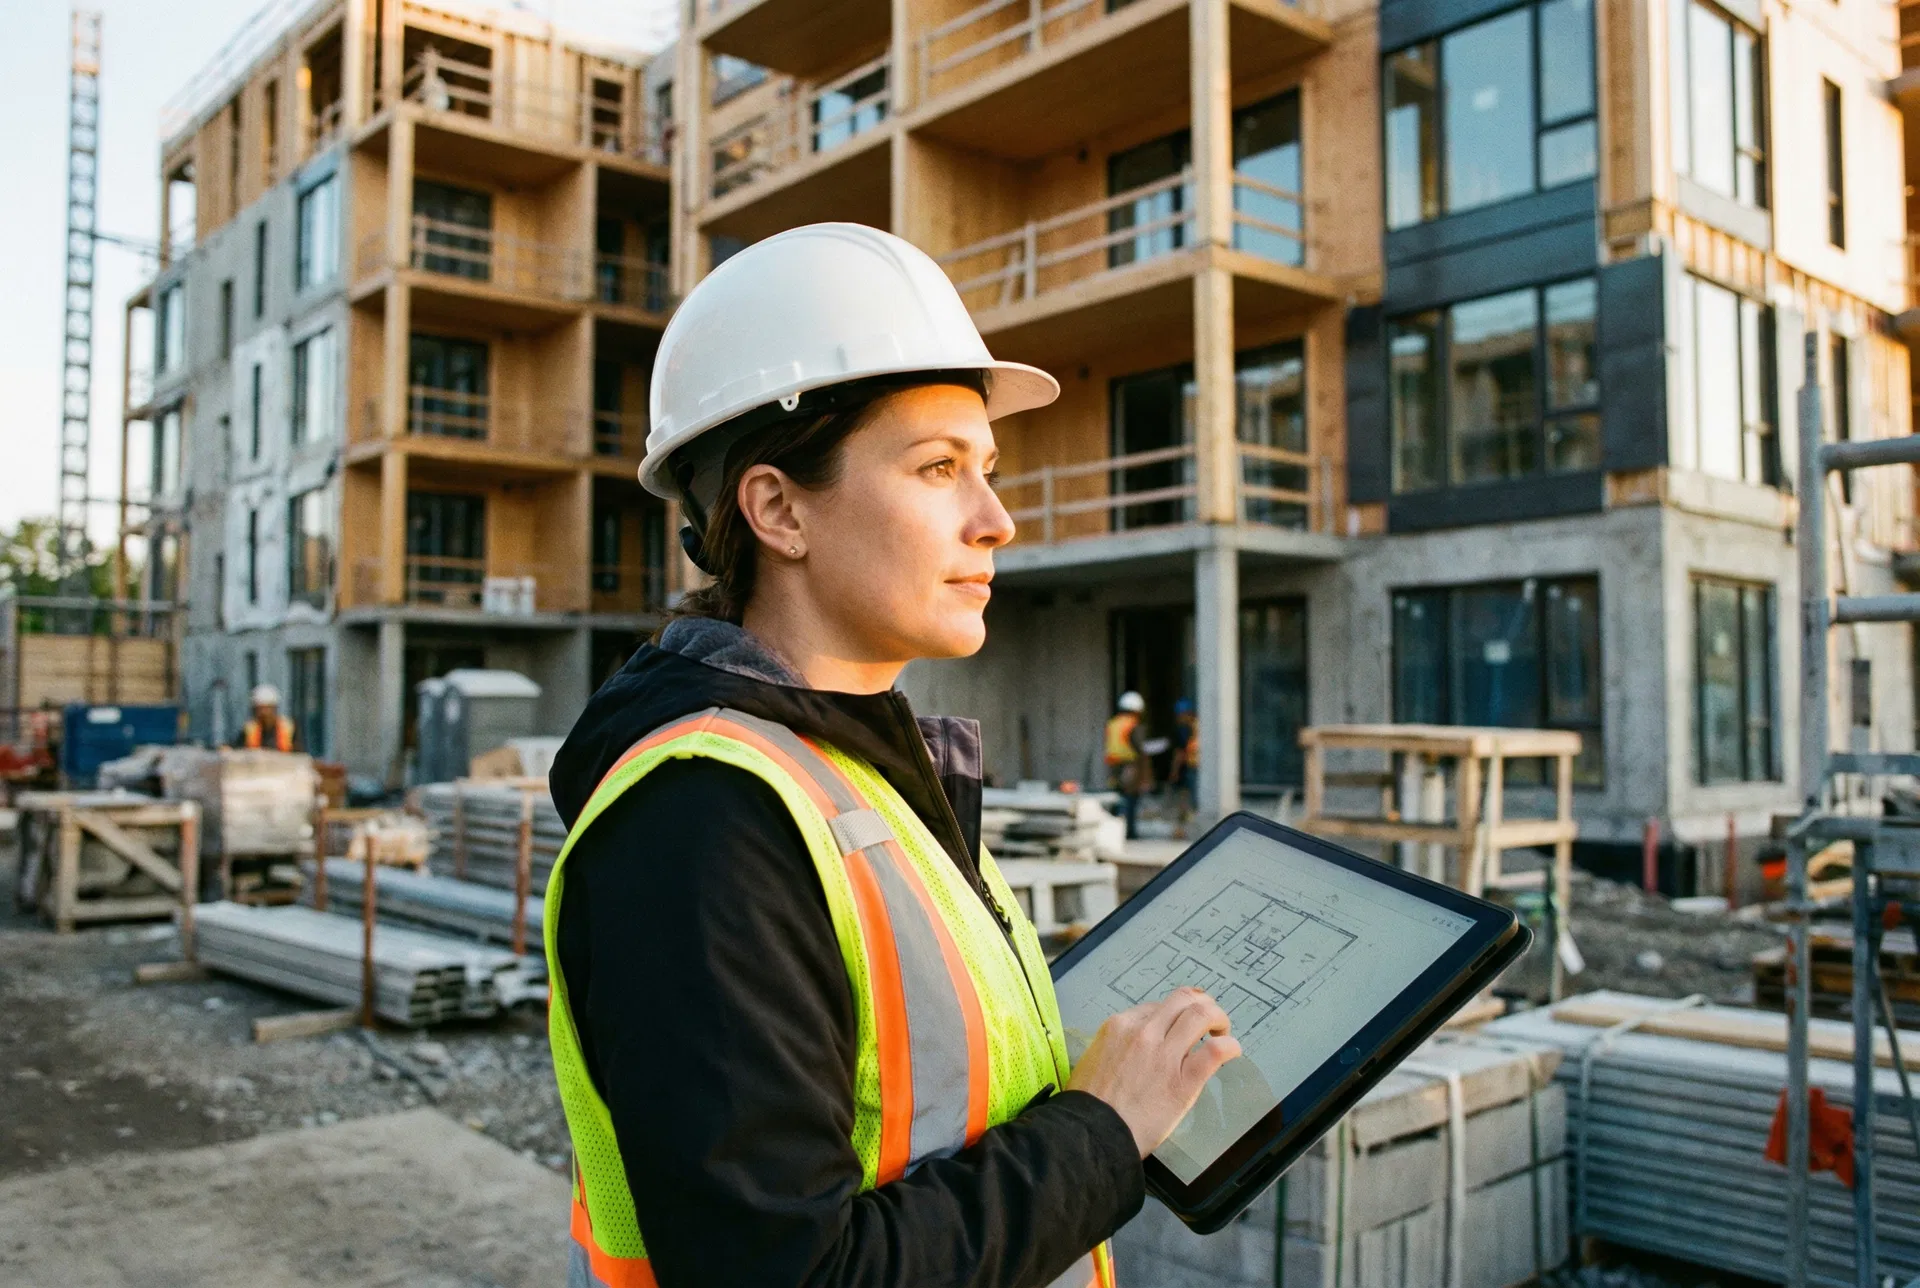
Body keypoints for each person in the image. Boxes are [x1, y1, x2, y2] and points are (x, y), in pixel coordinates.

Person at [543, 223, 1242, 1288]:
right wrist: (1103, 1129)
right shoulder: (705, 823)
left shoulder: (865, 771)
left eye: (990, 469)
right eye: (938, 468)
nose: (997, 519)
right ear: (777, 507)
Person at [1104, 691, 1150, 840]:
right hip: (1130, 766)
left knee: (1116, 799)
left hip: (1113, 767)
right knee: (1130, 799)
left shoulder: (1112, 724)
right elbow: (1140, 750)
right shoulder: (1133, 725)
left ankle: (1113, 831)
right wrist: (1146, 775)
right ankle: (1129, 832)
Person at [233, 684, 296, 751]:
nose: (264, 712)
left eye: (267, 708)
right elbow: (236, 747)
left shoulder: (288, 727)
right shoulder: (250, 728)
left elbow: (299, 754)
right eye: (260, 709)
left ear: (275, 708)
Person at [1169, 698, 1199, 835]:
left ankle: (1184, 830)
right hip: (1196, 767)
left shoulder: (1185, 730)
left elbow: (1180, 753)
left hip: (1192, 768)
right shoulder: (1199, 725)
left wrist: (1174, 772)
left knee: (1186, 800)